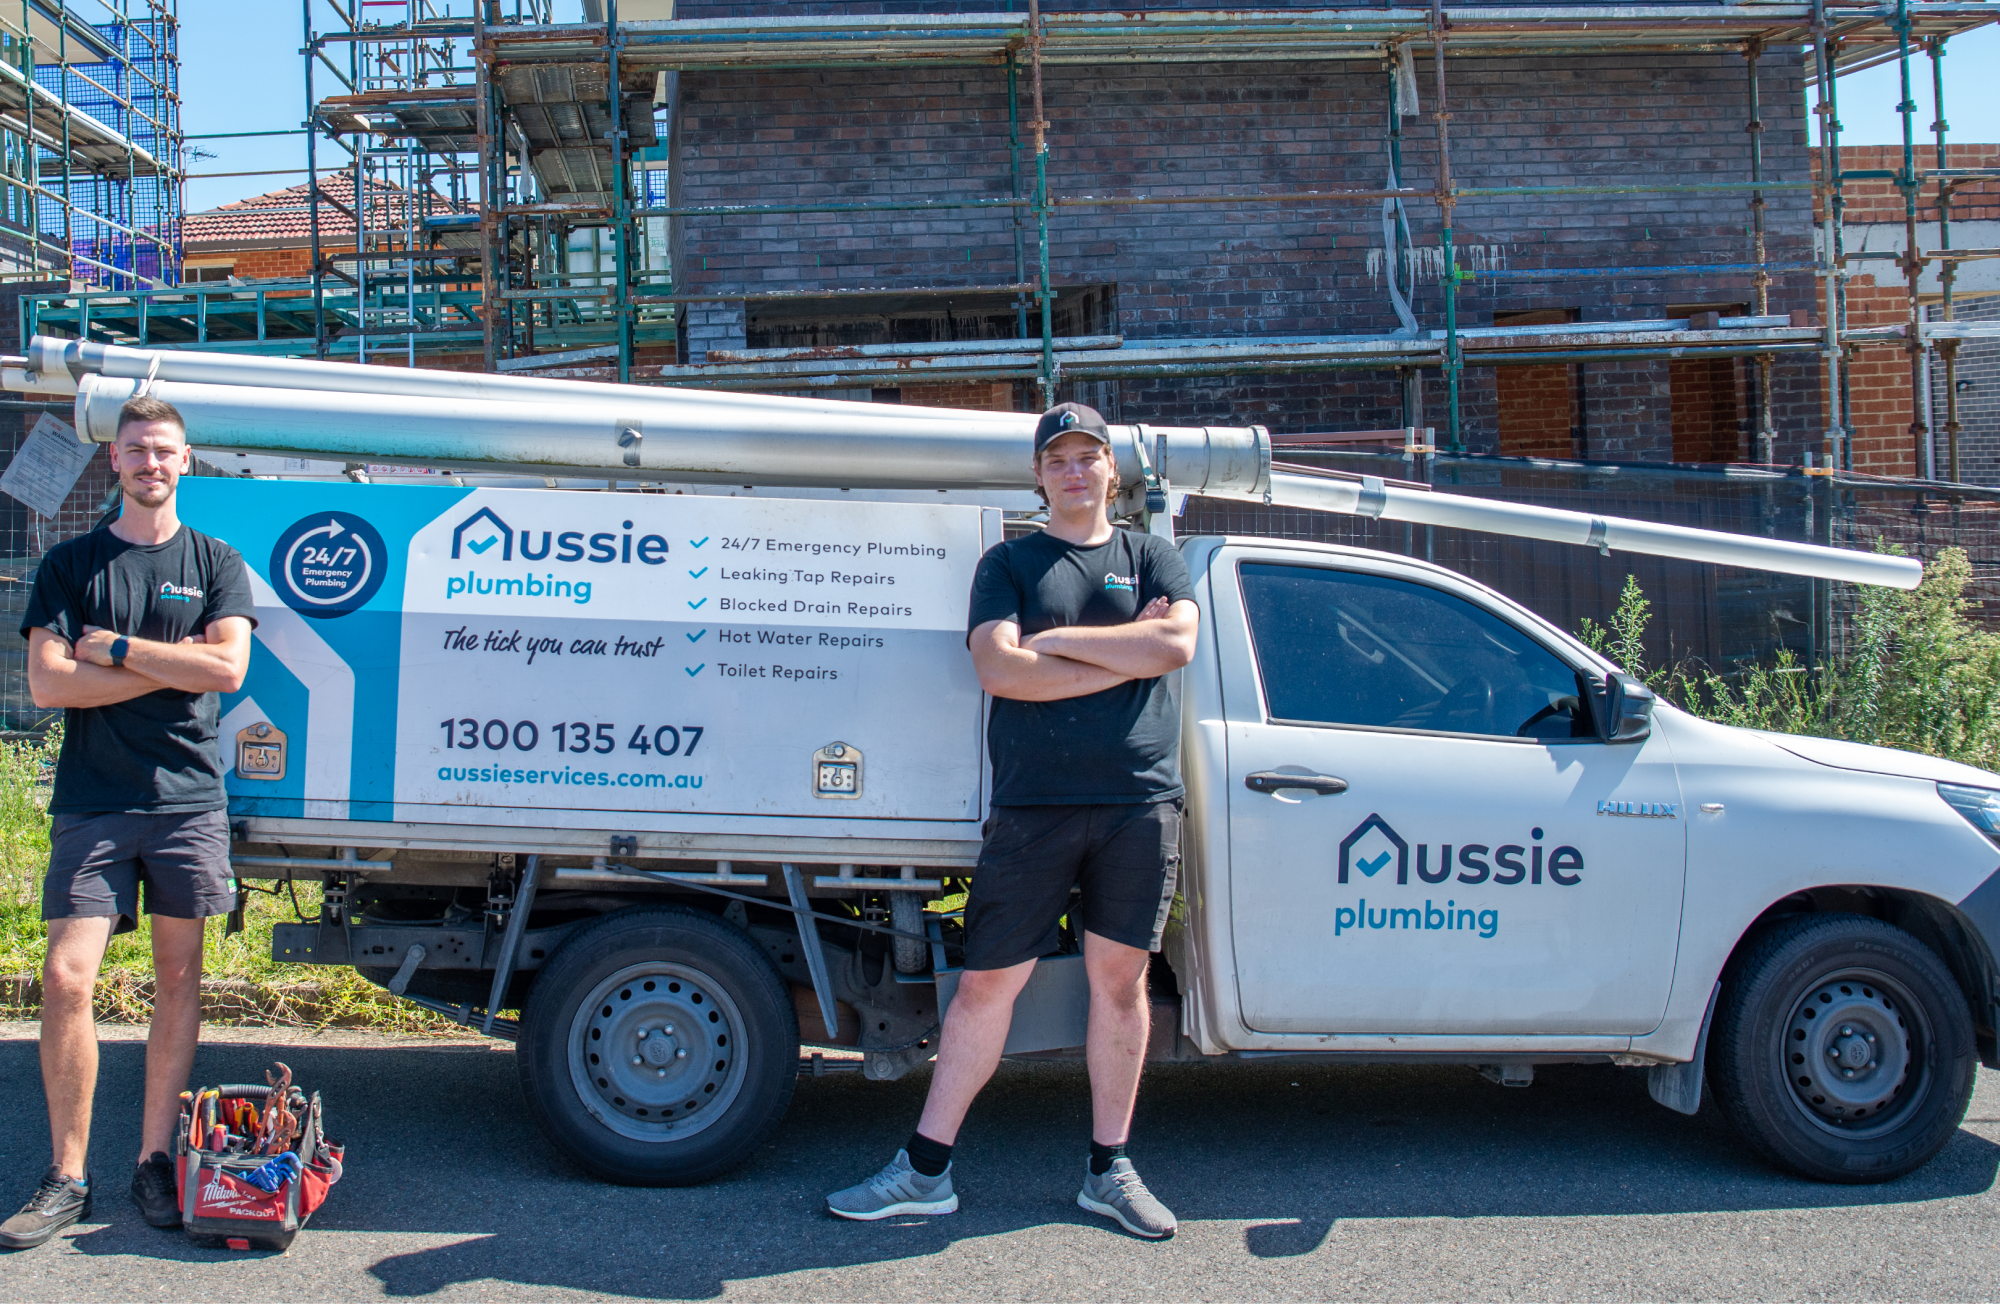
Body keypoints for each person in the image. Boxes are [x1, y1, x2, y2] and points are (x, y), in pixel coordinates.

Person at [827, 402, 1199, 1238]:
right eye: (1057, 459)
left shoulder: (1153, 556)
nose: (1074, 471)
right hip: (1033, 809)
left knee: (1121, 984)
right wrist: (1115, 651)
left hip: (1140, 803)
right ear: (1039, 474)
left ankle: (1110, 1170)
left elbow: (1174, 647)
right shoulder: (1009, 563)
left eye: (1088, 457)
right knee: (988, 986)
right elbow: (1000, 668)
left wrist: (1056, 643)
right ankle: (925, 1172)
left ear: (1112, 470)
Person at [0, 395, 255, 1251]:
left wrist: (110, 651)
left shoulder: (216, 561)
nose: (152, 463)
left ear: (187, 461)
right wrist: (165, 669)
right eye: (138, 449)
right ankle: (66, 1177)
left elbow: (225, 668)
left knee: (177, 982)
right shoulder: (72, 564)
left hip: (187, 800)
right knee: (70, 979)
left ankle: (154, 1162)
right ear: (114, 461)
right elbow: (46, 686)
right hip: (94, 802)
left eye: (166, 450)